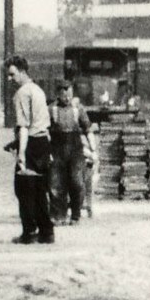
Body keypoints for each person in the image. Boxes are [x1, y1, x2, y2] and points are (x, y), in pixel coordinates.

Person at [6, 56, 54, 245]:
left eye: (12, 75)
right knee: (40, 189)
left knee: (23, 189)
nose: (10, 79)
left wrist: (21, 155)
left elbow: (24, 127)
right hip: (43, 142)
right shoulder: (38, 90)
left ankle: (29, 232)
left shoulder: (22, 93)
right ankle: (46, 232)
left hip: (31, 143)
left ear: (22, 71)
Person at [48, 81, 92, 225]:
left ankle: (75, 215)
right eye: (63, 94)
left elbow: (87, 129)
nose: (67, 98)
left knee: (77, 182)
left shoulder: (78, 109)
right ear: (58, 94)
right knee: (55, 184)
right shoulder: (51, 109)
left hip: (75, 150)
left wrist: (93, 149)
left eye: (69, 94)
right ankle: (58, 216)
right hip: (57, 149)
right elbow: (45, 130)